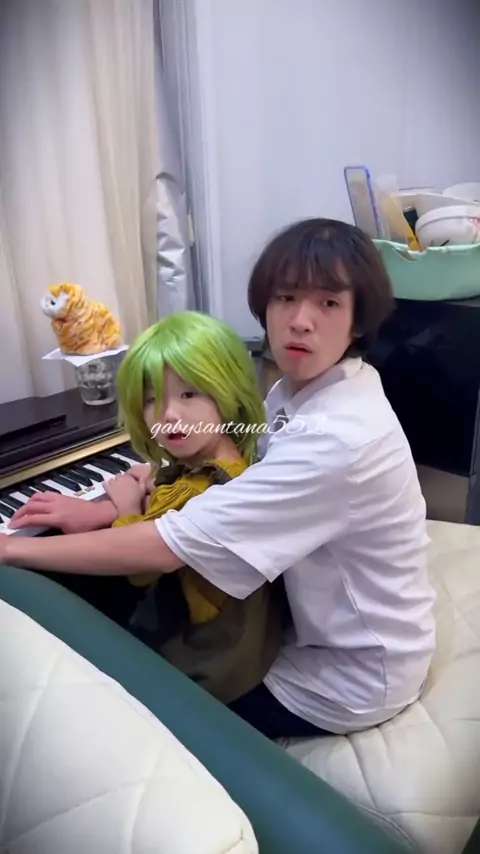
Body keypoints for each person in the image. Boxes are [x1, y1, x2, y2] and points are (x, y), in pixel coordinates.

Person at [1, 218, 436, 741]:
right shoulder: (306, 391)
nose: (300, 321)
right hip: (306, 618)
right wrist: (108, 504)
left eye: (328, 302)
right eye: (286, 297)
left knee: (120, 698)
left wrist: (13, 549)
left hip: (349, 672)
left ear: (357, 320)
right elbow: (234, 461)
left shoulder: (339, 439)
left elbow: (166, 547)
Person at [7, 311, 285, 705]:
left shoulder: (208, 488)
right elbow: (163, 486)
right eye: (152, 399)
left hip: (208, 660)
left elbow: (140, 567)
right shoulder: (231, 455)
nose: (168, 414)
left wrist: (125, 504)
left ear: (228, 393)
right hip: (248, 642)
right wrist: (108, 508)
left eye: (189, 394)